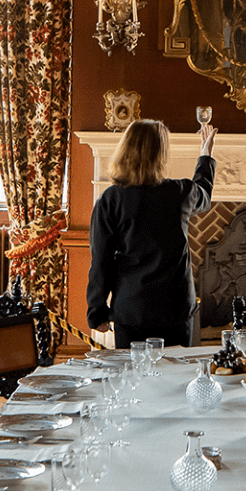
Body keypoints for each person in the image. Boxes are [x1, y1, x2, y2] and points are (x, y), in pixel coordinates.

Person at [87, 119, 216, 349]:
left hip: (132, 309)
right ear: (160, 154)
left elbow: (101, 259)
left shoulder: (110, 199)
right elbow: (204, 193)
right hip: (175, 310)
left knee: (134, 381)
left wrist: (97, 311)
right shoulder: (180, 192)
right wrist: (205, 156)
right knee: (175, 378)